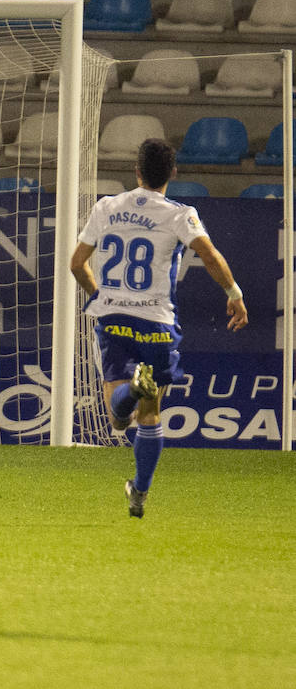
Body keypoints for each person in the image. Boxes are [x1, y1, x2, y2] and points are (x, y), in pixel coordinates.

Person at [69, 138, 247, 519]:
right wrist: (234, 293)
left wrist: (101, 297)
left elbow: (76, 264)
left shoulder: (106, 207)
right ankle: (140, 492)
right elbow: (210, 256)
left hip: (114, 319)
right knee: (151, 414)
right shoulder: (180, 214)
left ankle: (132, 389)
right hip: (158, 324)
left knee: (118, 417)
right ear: (173, 173)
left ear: (136, 171)